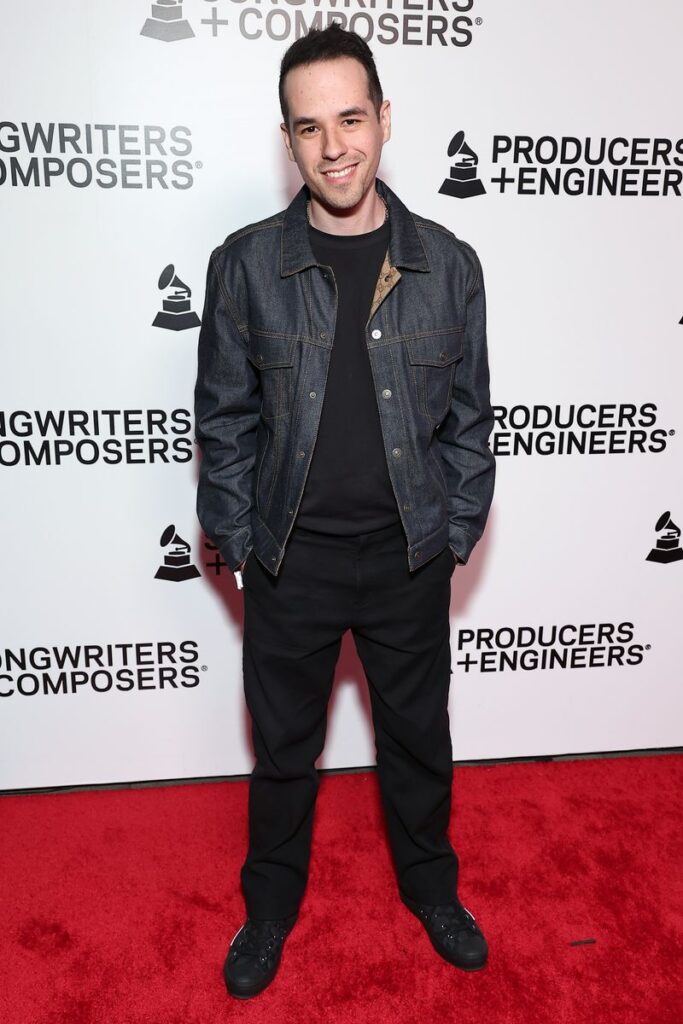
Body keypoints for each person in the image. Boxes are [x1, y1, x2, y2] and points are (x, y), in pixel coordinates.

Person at [194, 24, 496, 1000]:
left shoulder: (449, 264)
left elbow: (472, 420)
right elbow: (224, 415)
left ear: (384, 120)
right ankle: (269, 906)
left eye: (351, 118)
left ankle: (430, 887)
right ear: (287, 140)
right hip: (291, 559)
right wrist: (237, 541)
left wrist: (452, 532)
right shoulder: (243, 266)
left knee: (418, 739)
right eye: (310, 126)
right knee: (283, 751)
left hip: (408, 552)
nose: (334, 146)